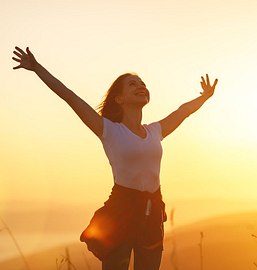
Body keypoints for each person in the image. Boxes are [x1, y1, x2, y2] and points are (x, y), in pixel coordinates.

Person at [12, 46, 218, 270]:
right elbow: (69, 96)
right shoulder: (108, 130)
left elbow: (183, 111)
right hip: (121, 210)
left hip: (152, 211)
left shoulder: (155, 131)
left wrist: (205, 97)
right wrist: (37, 68)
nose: (141, 86)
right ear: (119, 99)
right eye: (132, 84)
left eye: (142, 84)